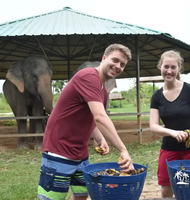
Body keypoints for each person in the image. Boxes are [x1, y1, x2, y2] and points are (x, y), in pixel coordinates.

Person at [37, 44, 134, 200]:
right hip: (59, 150)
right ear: (104, 58)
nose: (118, 66)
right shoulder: (88, 76)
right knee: (52, 198)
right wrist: (123, 149)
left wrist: (100, 138)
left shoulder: (102, 91)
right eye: (115, 60)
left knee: (82, 194)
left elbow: (91, 117)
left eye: (122, 64)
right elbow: (100, 117)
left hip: (80, 153)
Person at [149, 50, 190, 198]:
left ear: (178, 69)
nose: (169, 71)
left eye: (173, 67)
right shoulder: (157, 96)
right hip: (170, 149)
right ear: (160, 67)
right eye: (166, 67)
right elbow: (153, 126)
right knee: (167, 191)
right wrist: (172, 132)